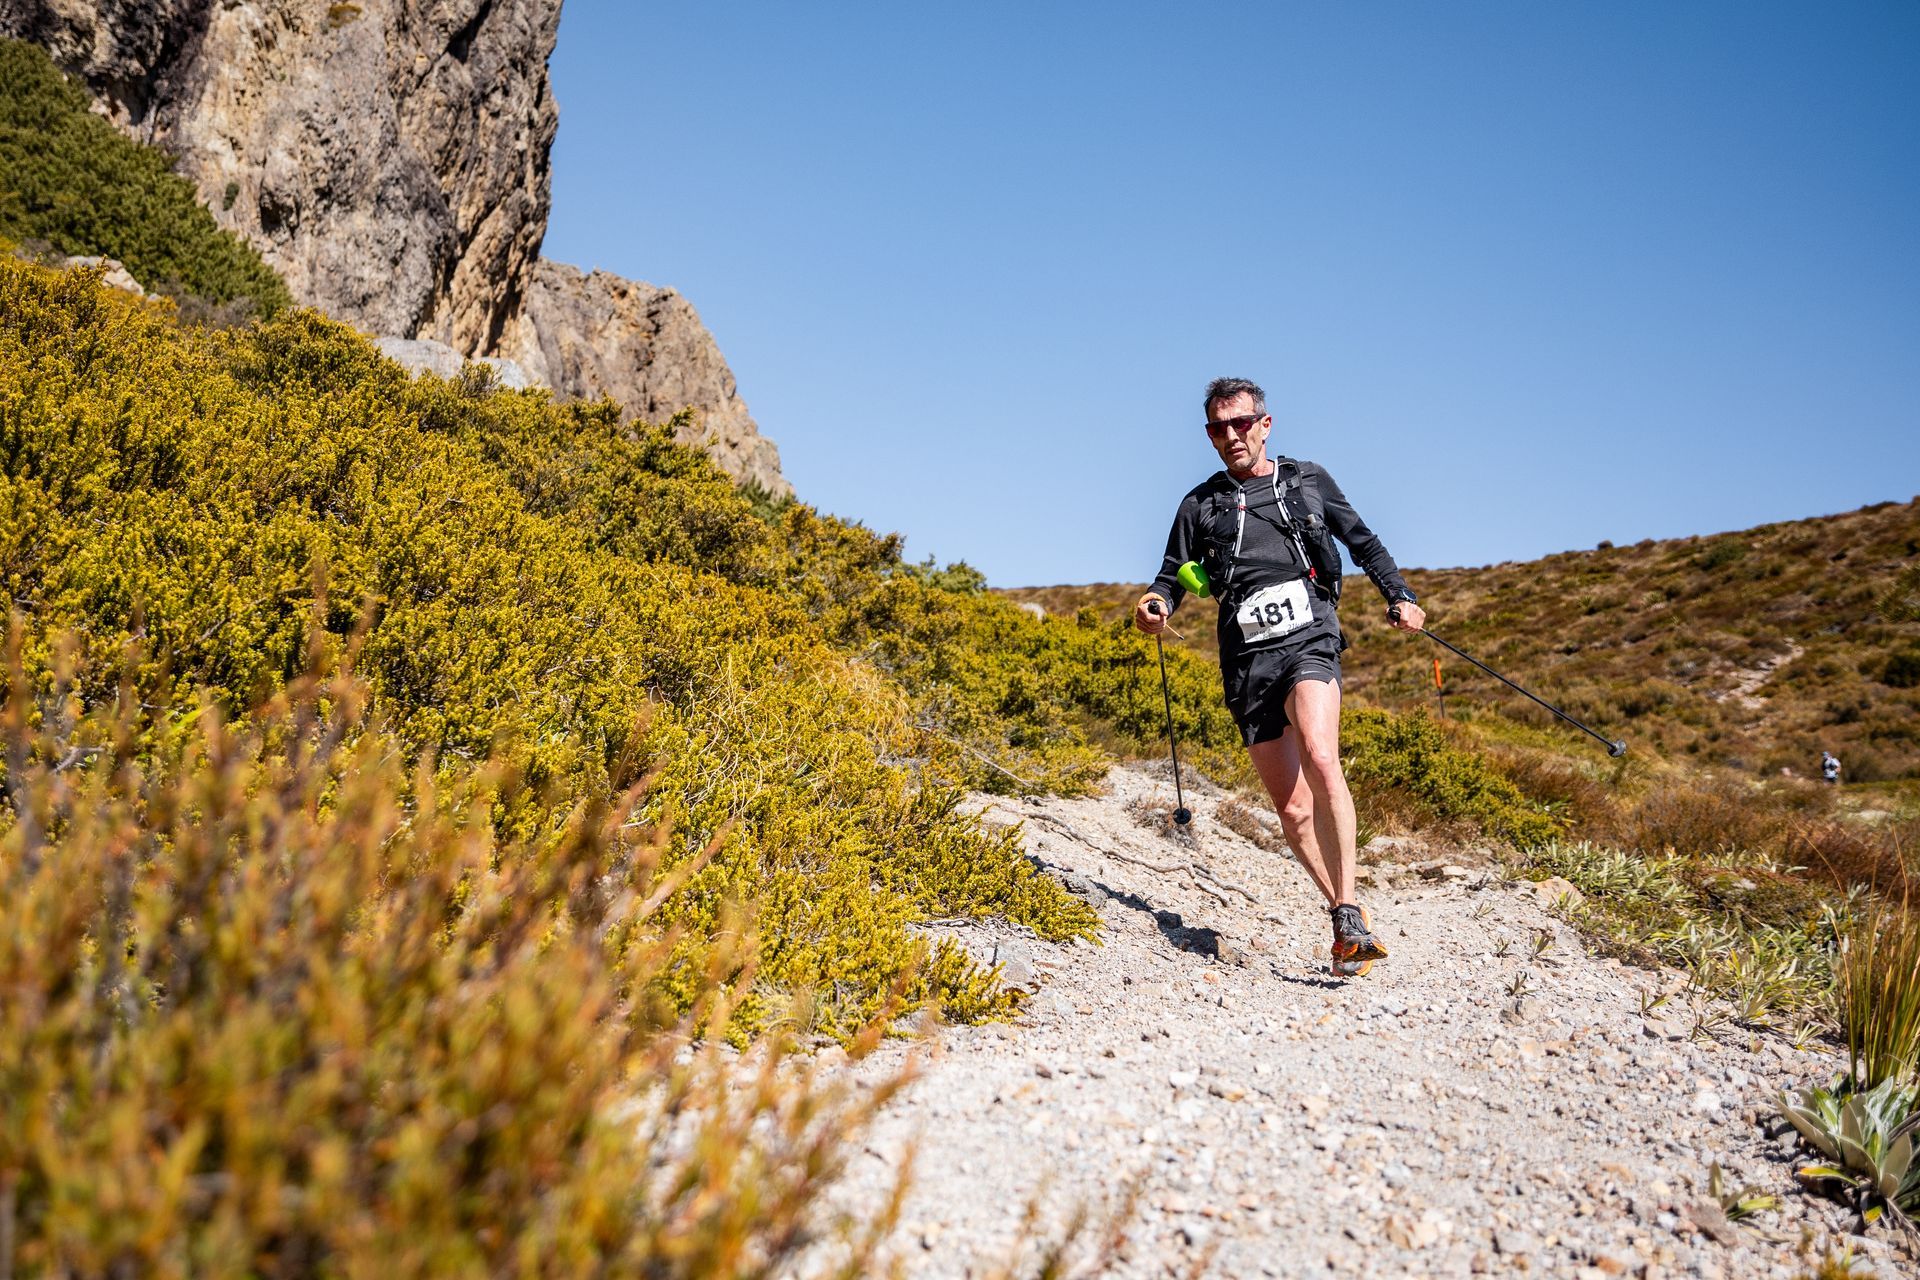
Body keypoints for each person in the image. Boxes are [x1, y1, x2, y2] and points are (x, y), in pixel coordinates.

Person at [1133, 378, 1426, 978]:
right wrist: (1155, 603)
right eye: (1218, 427)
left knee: (1320, 754)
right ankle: (1344, 913)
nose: (1231, 435)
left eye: (1241, 423)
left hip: (1309, 636)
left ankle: (1348, 911)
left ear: (1265, 425)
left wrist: (1400, 595)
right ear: (1210, 436)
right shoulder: (1199, 504)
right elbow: (1170, 573)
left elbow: (1365, 543)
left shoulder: (1306, 481)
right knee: (1291, 810)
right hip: (1246, 659)